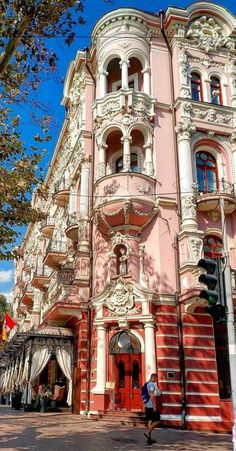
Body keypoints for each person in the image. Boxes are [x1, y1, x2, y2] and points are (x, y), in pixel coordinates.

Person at [143, 373, 161, 445]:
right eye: (156, 379)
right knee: (158, 420)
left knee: (150, 420)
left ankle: (149, 438)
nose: (156, 380)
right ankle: (148, 432)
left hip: (147, 405)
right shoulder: (151, 384)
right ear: (154, 378)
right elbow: (151, 394)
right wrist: (154, 406)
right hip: (151, 405)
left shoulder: (146, 384)